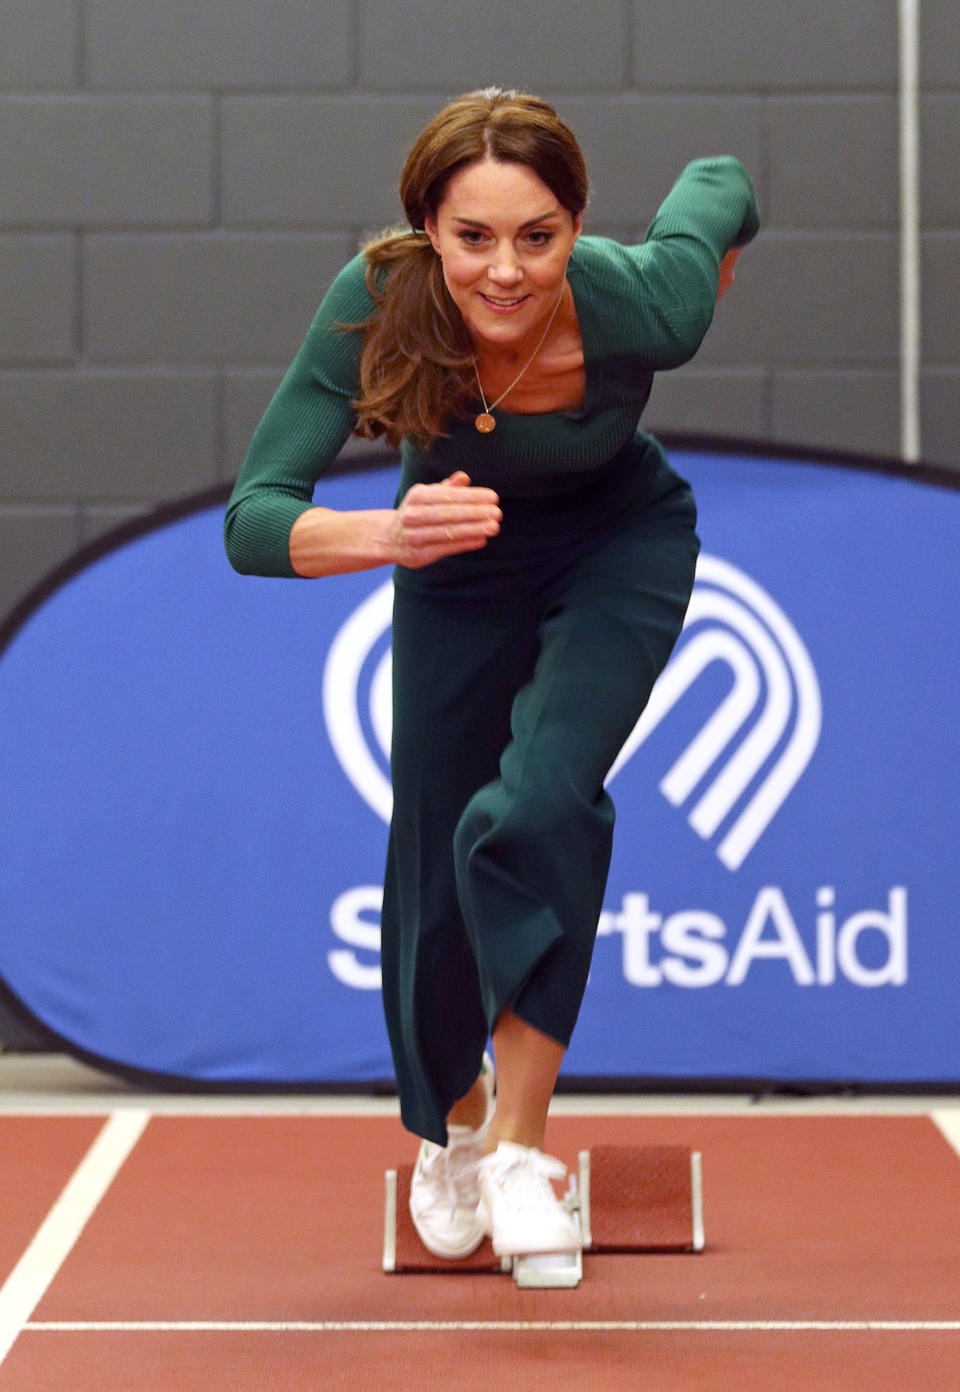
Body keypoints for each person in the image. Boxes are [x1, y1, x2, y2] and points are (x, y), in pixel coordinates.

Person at [225, 88, 758, 1262]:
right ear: (426, 228)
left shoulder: (642, 304)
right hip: (452, 559)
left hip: (619, 541)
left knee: (542, 801)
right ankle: (455, 1127)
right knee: (430, 871)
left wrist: (720, 253)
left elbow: (720, 178)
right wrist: (387, 536)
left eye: (539, 235)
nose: (507, 272)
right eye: (473, 238)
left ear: (578, 227)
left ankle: (520, 1146)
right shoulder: (378, 302)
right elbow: (255, 519)